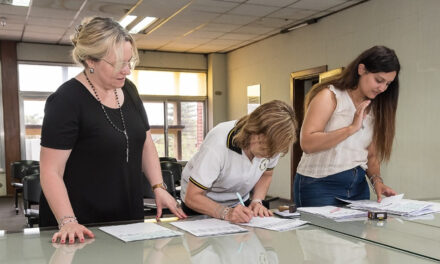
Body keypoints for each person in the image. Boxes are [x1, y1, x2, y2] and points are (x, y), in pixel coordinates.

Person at [39, 17, 186, 244]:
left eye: (129, 62)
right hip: (79, 221)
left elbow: (145, 142)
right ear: (91, 60)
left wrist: (158, 186)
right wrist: (68, 221)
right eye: (118, 64)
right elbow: (50, 171)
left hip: (126, 213)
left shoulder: (129, 89)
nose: (127, 71)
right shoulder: (66, 100)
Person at [294, 45, 399, 207]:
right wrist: (351, 129)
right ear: (361, 69)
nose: (382, 88)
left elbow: (371, 156)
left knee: (356, 233)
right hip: (319, 185)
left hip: (357, 187)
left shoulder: (377, 107)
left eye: (388, 84)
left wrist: (377, 181)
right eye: (379, 80)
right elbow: (307, 143)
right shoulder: (329, 96)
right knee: (320, 233)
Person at [180, 100, 297, 223]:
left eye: (272, 153)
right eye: (264, 149)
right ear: (254, 131)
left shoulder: (274, 144)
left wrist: (257, 200)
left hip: (238, 202)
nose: (268, 156)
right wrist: (226, 213)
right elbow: (192, 197)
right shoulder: (218, 143)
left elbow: (266, 174)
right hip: (201, 203)